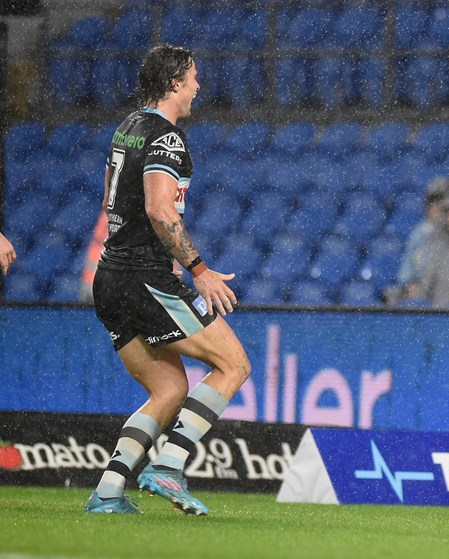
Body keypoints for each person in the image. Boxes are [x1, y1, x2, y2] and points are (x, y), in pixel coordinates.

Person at [85, 44, 251, 515]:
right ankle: (169, 466)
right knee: (234, 364)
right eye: (194, 77)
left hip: (110, 276)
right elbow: (161, 209)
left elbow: (109, 200)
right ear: (175, 81)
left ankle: (108, 494)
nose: (199, 86)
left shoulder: (128, 128)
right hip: (143, 277)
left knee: (169, 390)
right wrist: (198, 270)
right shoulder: (167, 139)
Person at [391, 176, 449, 302]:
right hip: (422, 290)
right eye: (433, 204)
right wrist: (410, 283)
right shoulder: (420, 232)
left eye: (442, 204)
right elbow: (408, 266)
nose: (437, 209)